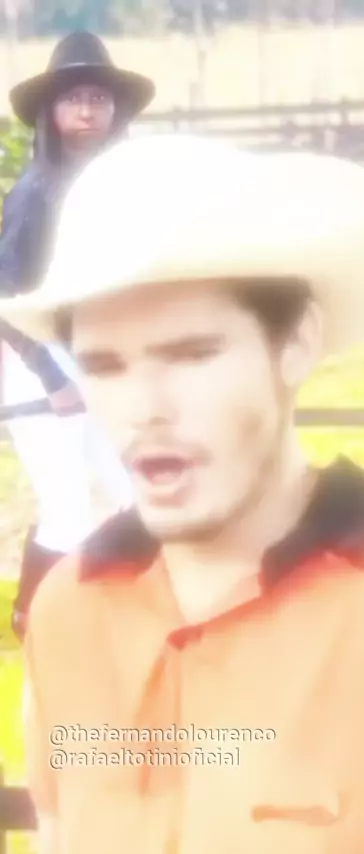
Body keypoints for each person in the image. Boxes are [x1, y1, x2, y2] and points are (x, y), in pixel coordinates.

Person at [3, 134, 364, 854]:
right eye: (105, 366)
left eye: (192, 355)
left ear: (296, 345)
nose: (143, 407)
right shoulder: (69, 609)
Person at [0, 31, 155, 639]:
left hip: (93, 356)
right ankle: (34, 625)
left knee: (130, 492)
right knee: (68, 509)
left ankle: (129, 620)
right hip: (34, 361)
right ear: (51, 112)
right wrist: (51, 377)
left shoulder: (119, 191)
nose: (87, 110)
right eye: (73, 99)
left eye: (98, 98)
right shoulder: (35, 194)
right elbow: (4, 297)